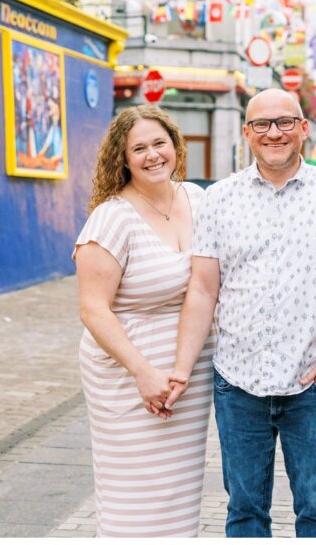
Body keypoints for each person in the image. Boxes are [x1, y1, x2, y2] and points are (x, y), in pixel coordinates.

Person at [165, 89, 316, 537]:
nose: (274, 132)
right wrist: (181, 370)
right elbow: (203, 290)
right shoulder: (220, 200)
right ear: (247, 133)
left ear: (303, 128)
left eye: (285, 122)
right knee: (244, 513)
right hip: (238, 383)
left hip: (312, 385)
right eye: (262, 124)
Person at [73, 104, 215, 537]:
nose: (152, 155)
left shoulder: (198, 199)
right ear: (123, 157)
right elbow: (93, 308)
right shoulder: (112, 218)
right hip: (128, 373)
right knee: (133, 493)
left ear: (175, 145)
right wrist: (143, 372)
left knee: (179, 491)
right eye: (139, 148)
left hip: (190, 370)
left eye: (160, 143)